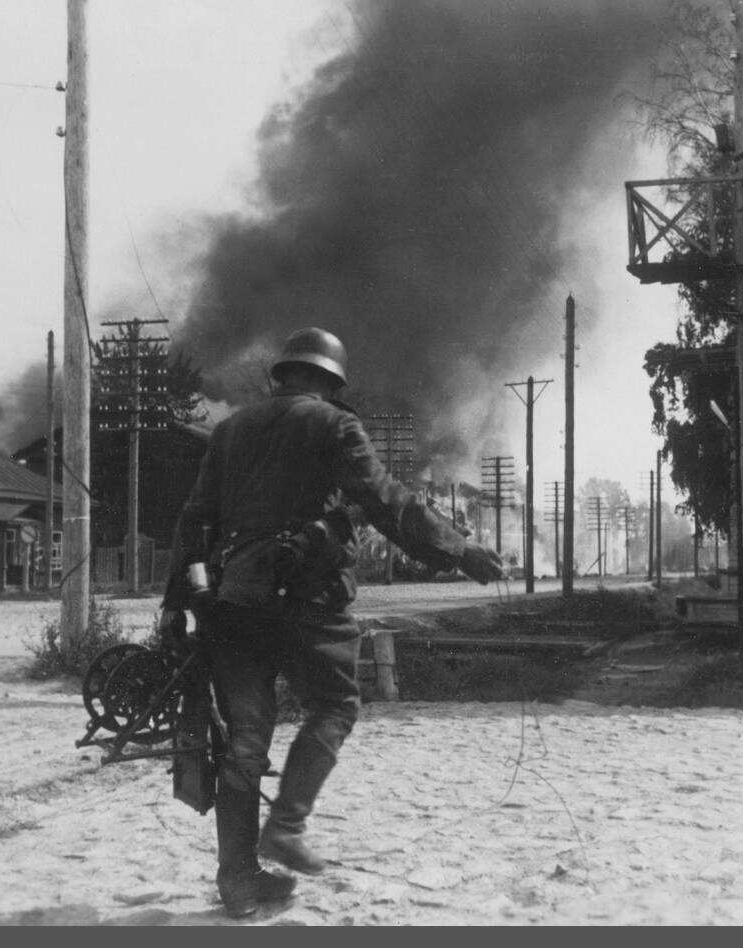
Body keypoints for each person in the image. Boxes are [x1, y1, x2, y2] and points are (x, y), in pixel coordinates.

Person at [159, 326, 505, 919]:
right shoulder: (334, 425)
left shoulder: (230, 431)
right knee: (336, 704)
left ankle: (238, 879)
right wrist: (459, 550)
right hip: (307, 600)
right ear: (331, 381)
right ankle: (285, 827)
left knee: (244, 741)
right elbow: (386, 501)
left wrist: (174, 604)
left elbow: (194, 520)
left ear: (283, 375)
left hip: (231, 601)